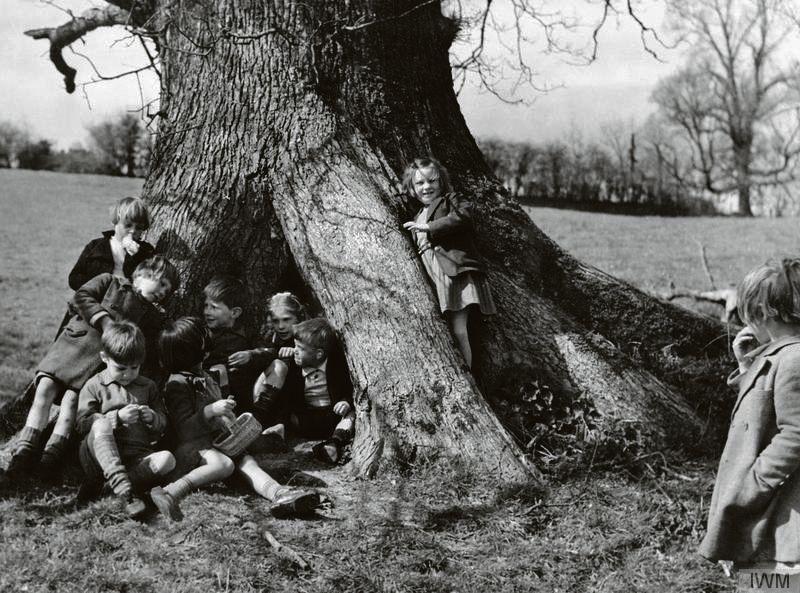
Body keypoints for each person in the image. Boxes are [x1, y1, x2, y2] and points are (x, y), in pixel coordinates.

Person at [2, 256, 178, 478]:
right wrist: (106, 322)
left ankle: (49, 460)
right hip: (72, 347)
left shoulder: (153, 315)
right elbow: (81, 296)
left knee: (71, 404)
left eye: (168, 290)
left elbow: (153, 343)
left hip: (95, 366)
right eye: (162, 284)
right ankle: (23, 453)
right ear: (143, 273)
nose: (163, 292)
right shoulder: (110, 282)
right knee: (44, 390)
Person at [153, 317, 320, 521]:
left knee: (247, 462)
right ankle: (169, 492)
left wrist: (225, 410)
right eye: (203, 346)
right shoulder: (177, 385)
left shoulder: (204, 375)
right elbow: (184, 430)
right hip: (193, 449)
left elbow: (214, 406)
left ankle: (280, 495)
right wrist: (210, 410)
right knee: (224, 464)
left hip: (217, 442)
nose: (208, 349)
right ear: (191, 353)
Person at [699, 259, 800, 573]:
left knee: (771, 583)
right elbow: (764, 414)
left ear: (763, 312)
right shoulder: (781, 356)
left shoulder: (794, 358)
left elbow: (795, 433)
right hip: (767, 513)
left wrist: (753, 483)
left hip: (780, 517)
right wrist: (746, 370)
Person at [401, 157, 496, 369]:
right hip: (435, 278)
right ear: (411, 188)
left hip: (454, 273)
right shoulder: (418, 214)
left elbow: (464, 217)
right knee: (448, 331)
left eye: (432, 181)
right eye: (420, 183)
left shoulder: (450, 200)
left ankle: (469, 376)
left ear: (441, 182)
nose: (427, 187)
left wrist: (430, 227)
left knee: (459, 330)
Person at [74, 321, 175, 518]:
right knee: (100, 423)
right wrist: (116, 418)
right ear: (104, 358)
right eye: (120, 368)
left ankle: (109, 489)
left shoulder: (148, 387)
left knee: (167, 459)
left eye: (134, 368)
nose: (128, 374)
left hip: (136, 458)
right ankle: (124, 490)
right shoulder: (95, 385)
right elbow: (81, 424)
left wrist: (152, 418)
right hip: (98, 457)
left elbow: (163, 423)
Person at [253, 318, 354, 465]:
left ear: (319, 354)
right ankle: (277, 435)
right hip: (304, 419)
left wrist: (346, 402)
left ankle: (333, 444)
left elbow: (349, 389)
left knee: (350, 415)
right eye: (295, 346)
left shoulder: (336, 367)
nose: (295, 352)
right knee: (287, 417)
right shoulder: (295, 368)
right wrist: (281, 421)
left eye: (300, 349)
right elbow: (287, 399)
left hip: (331, 417)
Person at [202, 275, 275, 413]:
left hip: (246, 389)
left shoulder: (245, 331)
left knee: (278, 366)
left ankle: (261, 415)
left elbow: (270, 351)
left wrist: (251, 355)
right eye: (206, 306)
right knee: (218, 369)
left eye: (214, 307)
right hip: (217, 395)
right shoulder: (204, 333)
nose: (207, 312)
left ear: (234, 312)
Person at [251, 292, 307, 432]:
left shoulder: (308, 337)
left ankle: (278, 427)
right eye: (276, 321)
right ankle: (256, 422)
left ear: (298, 318)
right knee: (279, 366)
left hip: (298, 402)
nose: (281, 326)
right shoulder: (270, 337)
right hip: (266, 398)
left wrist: (296, 352)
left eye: (286, 320)